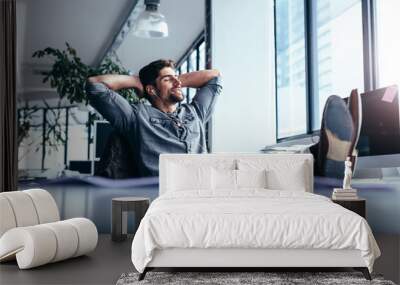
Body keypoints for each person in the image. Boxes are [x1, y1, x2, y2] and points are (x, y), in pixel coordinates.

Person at [86, 59, 221, 177]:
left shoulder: (195, 112)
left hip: (202, 193)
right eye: (167, 79)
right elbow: (95, 85)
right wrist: (135, 81)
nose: (177, 82)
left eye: (177, 77)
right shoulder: (136, 117)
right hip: (162, 195)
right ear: (151, 90)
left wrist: (174, 81)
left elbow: (215, 76)